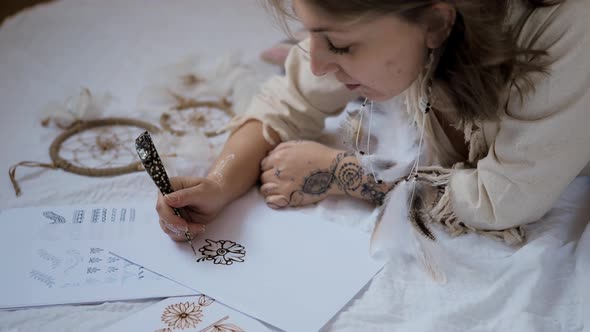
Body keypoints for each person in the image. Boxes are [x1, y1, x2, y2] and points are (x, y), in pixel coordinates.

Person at [155, 0, 590, 245]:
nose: (319, 64)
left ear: (438, 22)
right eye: (309, 34)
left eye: (339, 46)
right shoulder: (374, 18)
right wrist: (218, 182)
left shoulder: (562, 31)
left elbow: (504, 197)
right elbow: (287, 99)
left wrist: (346, 173)